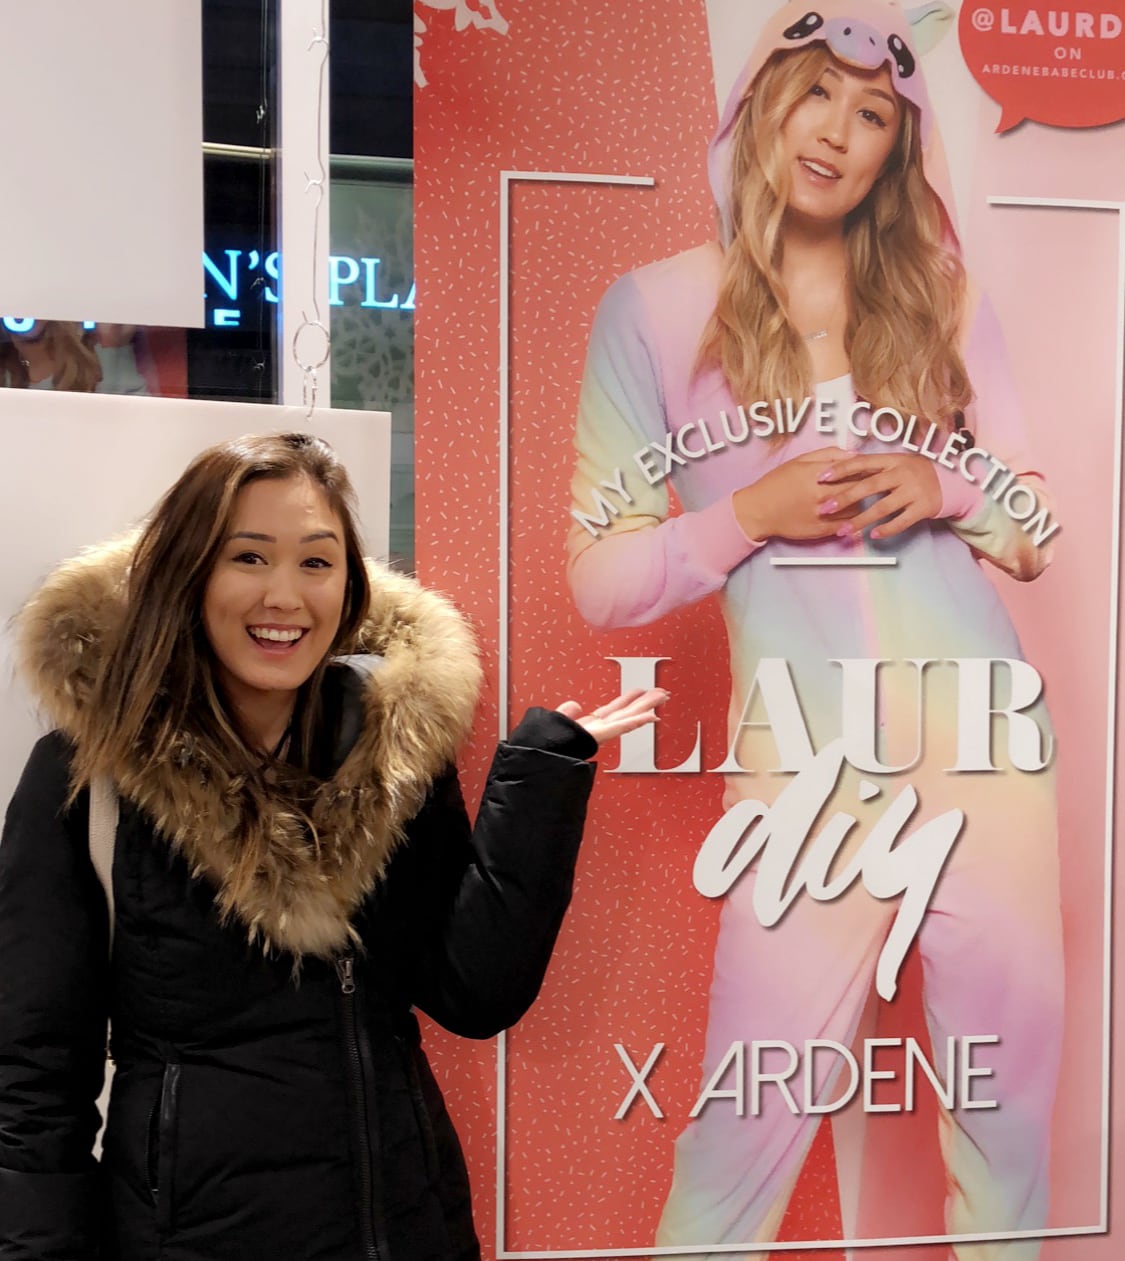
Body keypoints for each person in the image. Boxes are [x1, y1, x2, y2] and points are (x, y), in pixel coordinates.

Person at [567, 2, 1061, 1256]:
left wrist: (945, 486)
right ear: (759, 105)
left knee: (1008, 1127)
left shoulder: (940, 297)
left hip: (985, 757)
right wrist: (751, 513)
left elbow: (1032, 522)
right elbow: (602, 578)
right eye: (816, 96)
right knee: (743, 1131)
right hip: (806, 777)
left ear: (901, 143)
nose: (838, 133)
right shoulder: (656, 312)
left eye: (875, 112)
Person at [0, 431, 664, 1261]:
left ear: (349, 587)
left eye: (317, 562)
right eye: (248, 557)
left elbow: (473, 989)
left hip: (405, 1230)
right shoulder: (91, 775)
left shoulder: (386, 751)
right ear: (188, 574)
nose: (285, 595)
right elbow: (33, 1081)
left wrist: (541, 778)